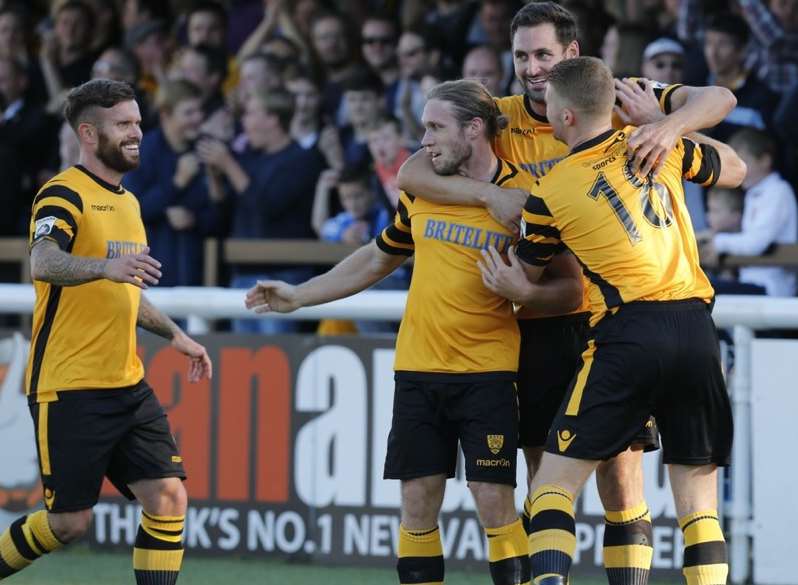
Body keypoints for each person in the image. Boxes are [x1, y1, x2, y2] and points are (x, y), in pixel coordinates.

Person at [397, 3, 737, 584]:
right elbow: (411, 172)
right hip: (562, 324)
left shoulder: (623, 98)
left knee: (616, 478)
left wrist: (665, 124)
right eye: (522, 55)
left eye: (543, 56)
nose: (531, 68)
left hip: (610, 319)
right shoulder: (496, 117)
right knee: (544, 468)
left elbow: (723, 112)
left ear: (571, 57)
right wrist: (489, 198)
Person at [245, 79, 585, 585]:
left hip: (487, 373)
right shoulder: (425, 191)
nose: (423, 140)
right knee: (416, 502)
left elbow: (572, 289)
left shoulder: (526, 201)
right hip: (418, 370)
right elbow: (377, 257)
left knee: (493, 501)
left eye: (434, 128)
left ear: (474, 129)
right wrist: (300, 295)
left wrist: (527, 292)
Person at [478, 56, 745, 585]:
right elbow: (736, 168)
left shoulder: (550, 190)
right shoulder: (662, 148)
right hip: (696, 329)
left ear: (567, 116)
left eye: (551, 105)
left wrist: (513, 287)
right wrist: (665, 125)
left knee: (552, 484)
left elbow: (529, 275)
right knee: (699, 506)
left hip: (627, 333)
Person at [0, 79, 212, 584]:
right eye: (125, 124)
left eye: (138, 122)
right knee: (68, 525)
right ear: (89, 134)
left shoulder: (129, 203)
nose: (138, 132)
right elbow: (44, 261)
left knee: (167, 497)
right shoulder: (62, 193)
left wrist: (176, 336)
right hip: (70, 386)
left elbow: (126, 292)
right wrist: (105, 268)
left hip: (126, 383)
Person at [700, 128, 797, 297]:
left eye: (743, 161)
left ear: (765, 160)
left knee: (700, 290)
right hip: (751, 283)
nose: (736, 168)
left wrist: (718, 242)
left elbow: (755, 243)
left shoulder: (777, 191)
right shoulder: (755, 192)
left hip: (770, 287)